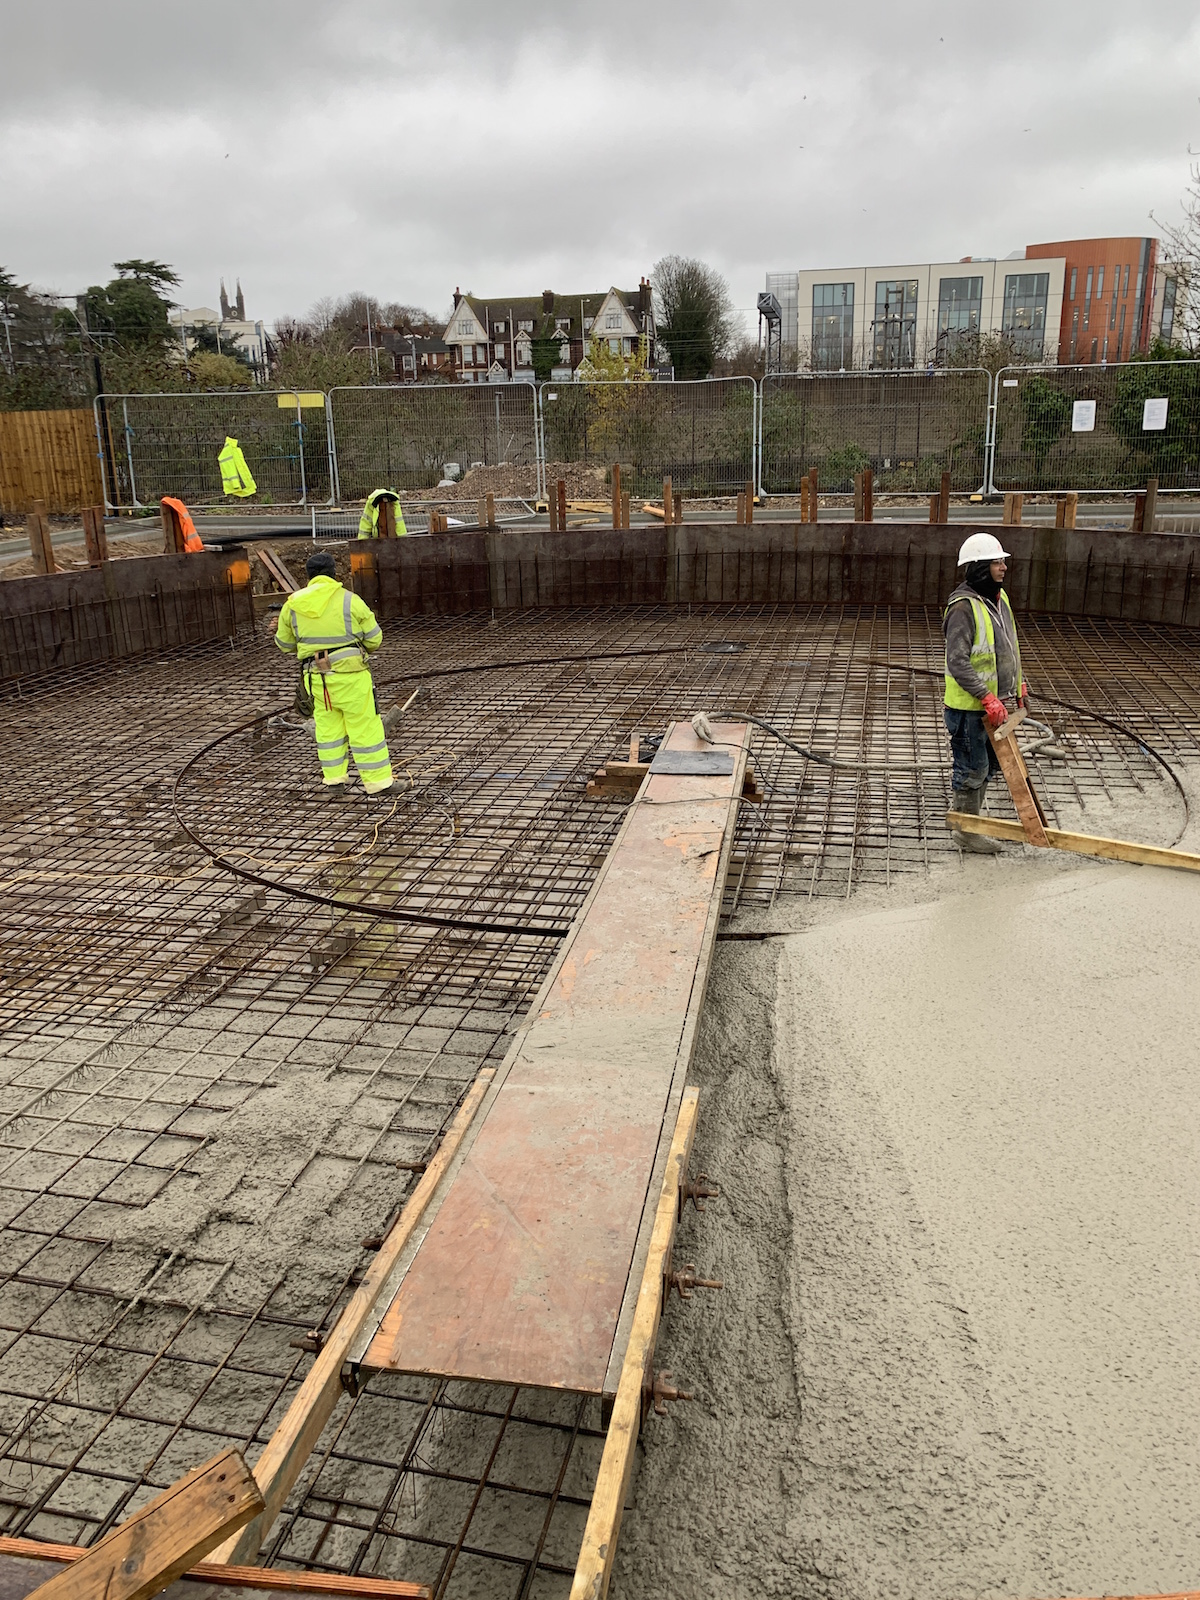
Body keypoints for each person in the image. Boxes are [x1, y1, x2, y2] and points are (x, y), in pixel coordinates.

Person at [273, 550, 394, 798]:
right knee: (365, 729)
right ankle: (378, 783)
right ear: (333, 573)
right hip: (352, 678)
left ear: (308, 576)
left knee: (328, 731)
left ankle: (335, 781)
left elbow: (284, 645)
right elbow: (375, 639)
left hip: (317, 679)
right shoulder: (350, 600)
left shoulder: (292, 604)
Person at [943, 532, 1028, 854]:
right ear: (979, 567)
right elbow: (958, 661)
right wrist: (986, 696)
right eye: (996, 562)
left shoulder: (999, 599)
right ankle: (965, 831)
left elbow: (1007, 648)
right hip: (968, 709)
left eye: (1003, 561)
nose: (1004, 567)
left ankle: (972, 821)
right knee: (971, 769)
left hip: (996, 705)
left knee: (989, 767)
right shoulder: (962, 608)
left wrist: (1017, 684)